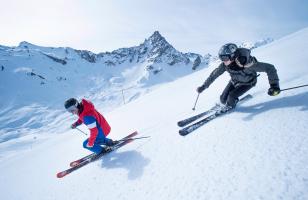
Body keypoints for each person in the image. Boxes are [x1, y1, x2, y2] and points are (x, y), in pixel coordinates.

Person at [197, 43, 280, 109]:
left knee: (231, 96)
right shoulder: (225, 65)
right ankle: (228, 102)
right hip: (235, 81)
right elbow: (214, 75)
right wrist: (204, 86)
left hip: (248, 83)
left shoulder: (248, 64)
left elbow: (270, 68)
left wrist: (274, 86)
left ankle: (230, 106)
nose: (223, 61)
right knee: (222, 99)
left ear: (232, 56)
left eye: (225, 58)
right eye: (221, 58)